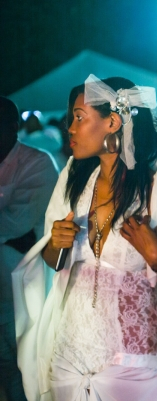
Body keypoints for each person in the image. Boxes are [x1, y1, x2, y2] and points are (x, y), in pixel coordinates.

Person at [12, 75, 157, 401]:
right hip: (69, 357)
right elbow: (54, 263)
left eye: (79, 118)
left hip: (135, 361)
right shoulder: (72, 180)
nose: (70, 129)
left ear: (113, 122)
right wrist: (56, 244)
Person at [0, 97, 58, 401]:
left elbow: (17, 223)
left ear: (14, 127)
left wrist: (12, 234)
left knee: (27, 367)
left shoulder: (36, 162)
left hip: (23, 285)